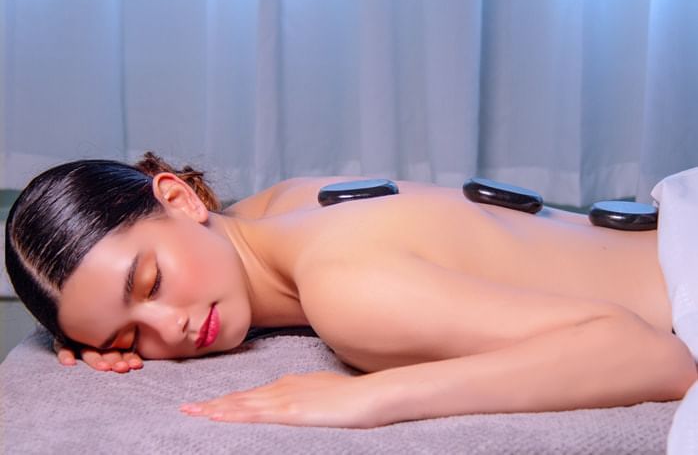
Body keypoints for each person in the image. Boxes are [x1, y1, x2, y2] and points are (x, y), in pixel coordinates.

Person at [5, 153, 697, 428]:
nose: (171, 327)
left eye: (151, 283)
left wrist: (365, 397)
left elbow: (658, 360)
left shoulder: (345, 292)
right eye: (132, 337)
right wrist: (89, 334)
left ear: (180, 199)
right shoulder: (278, 206)